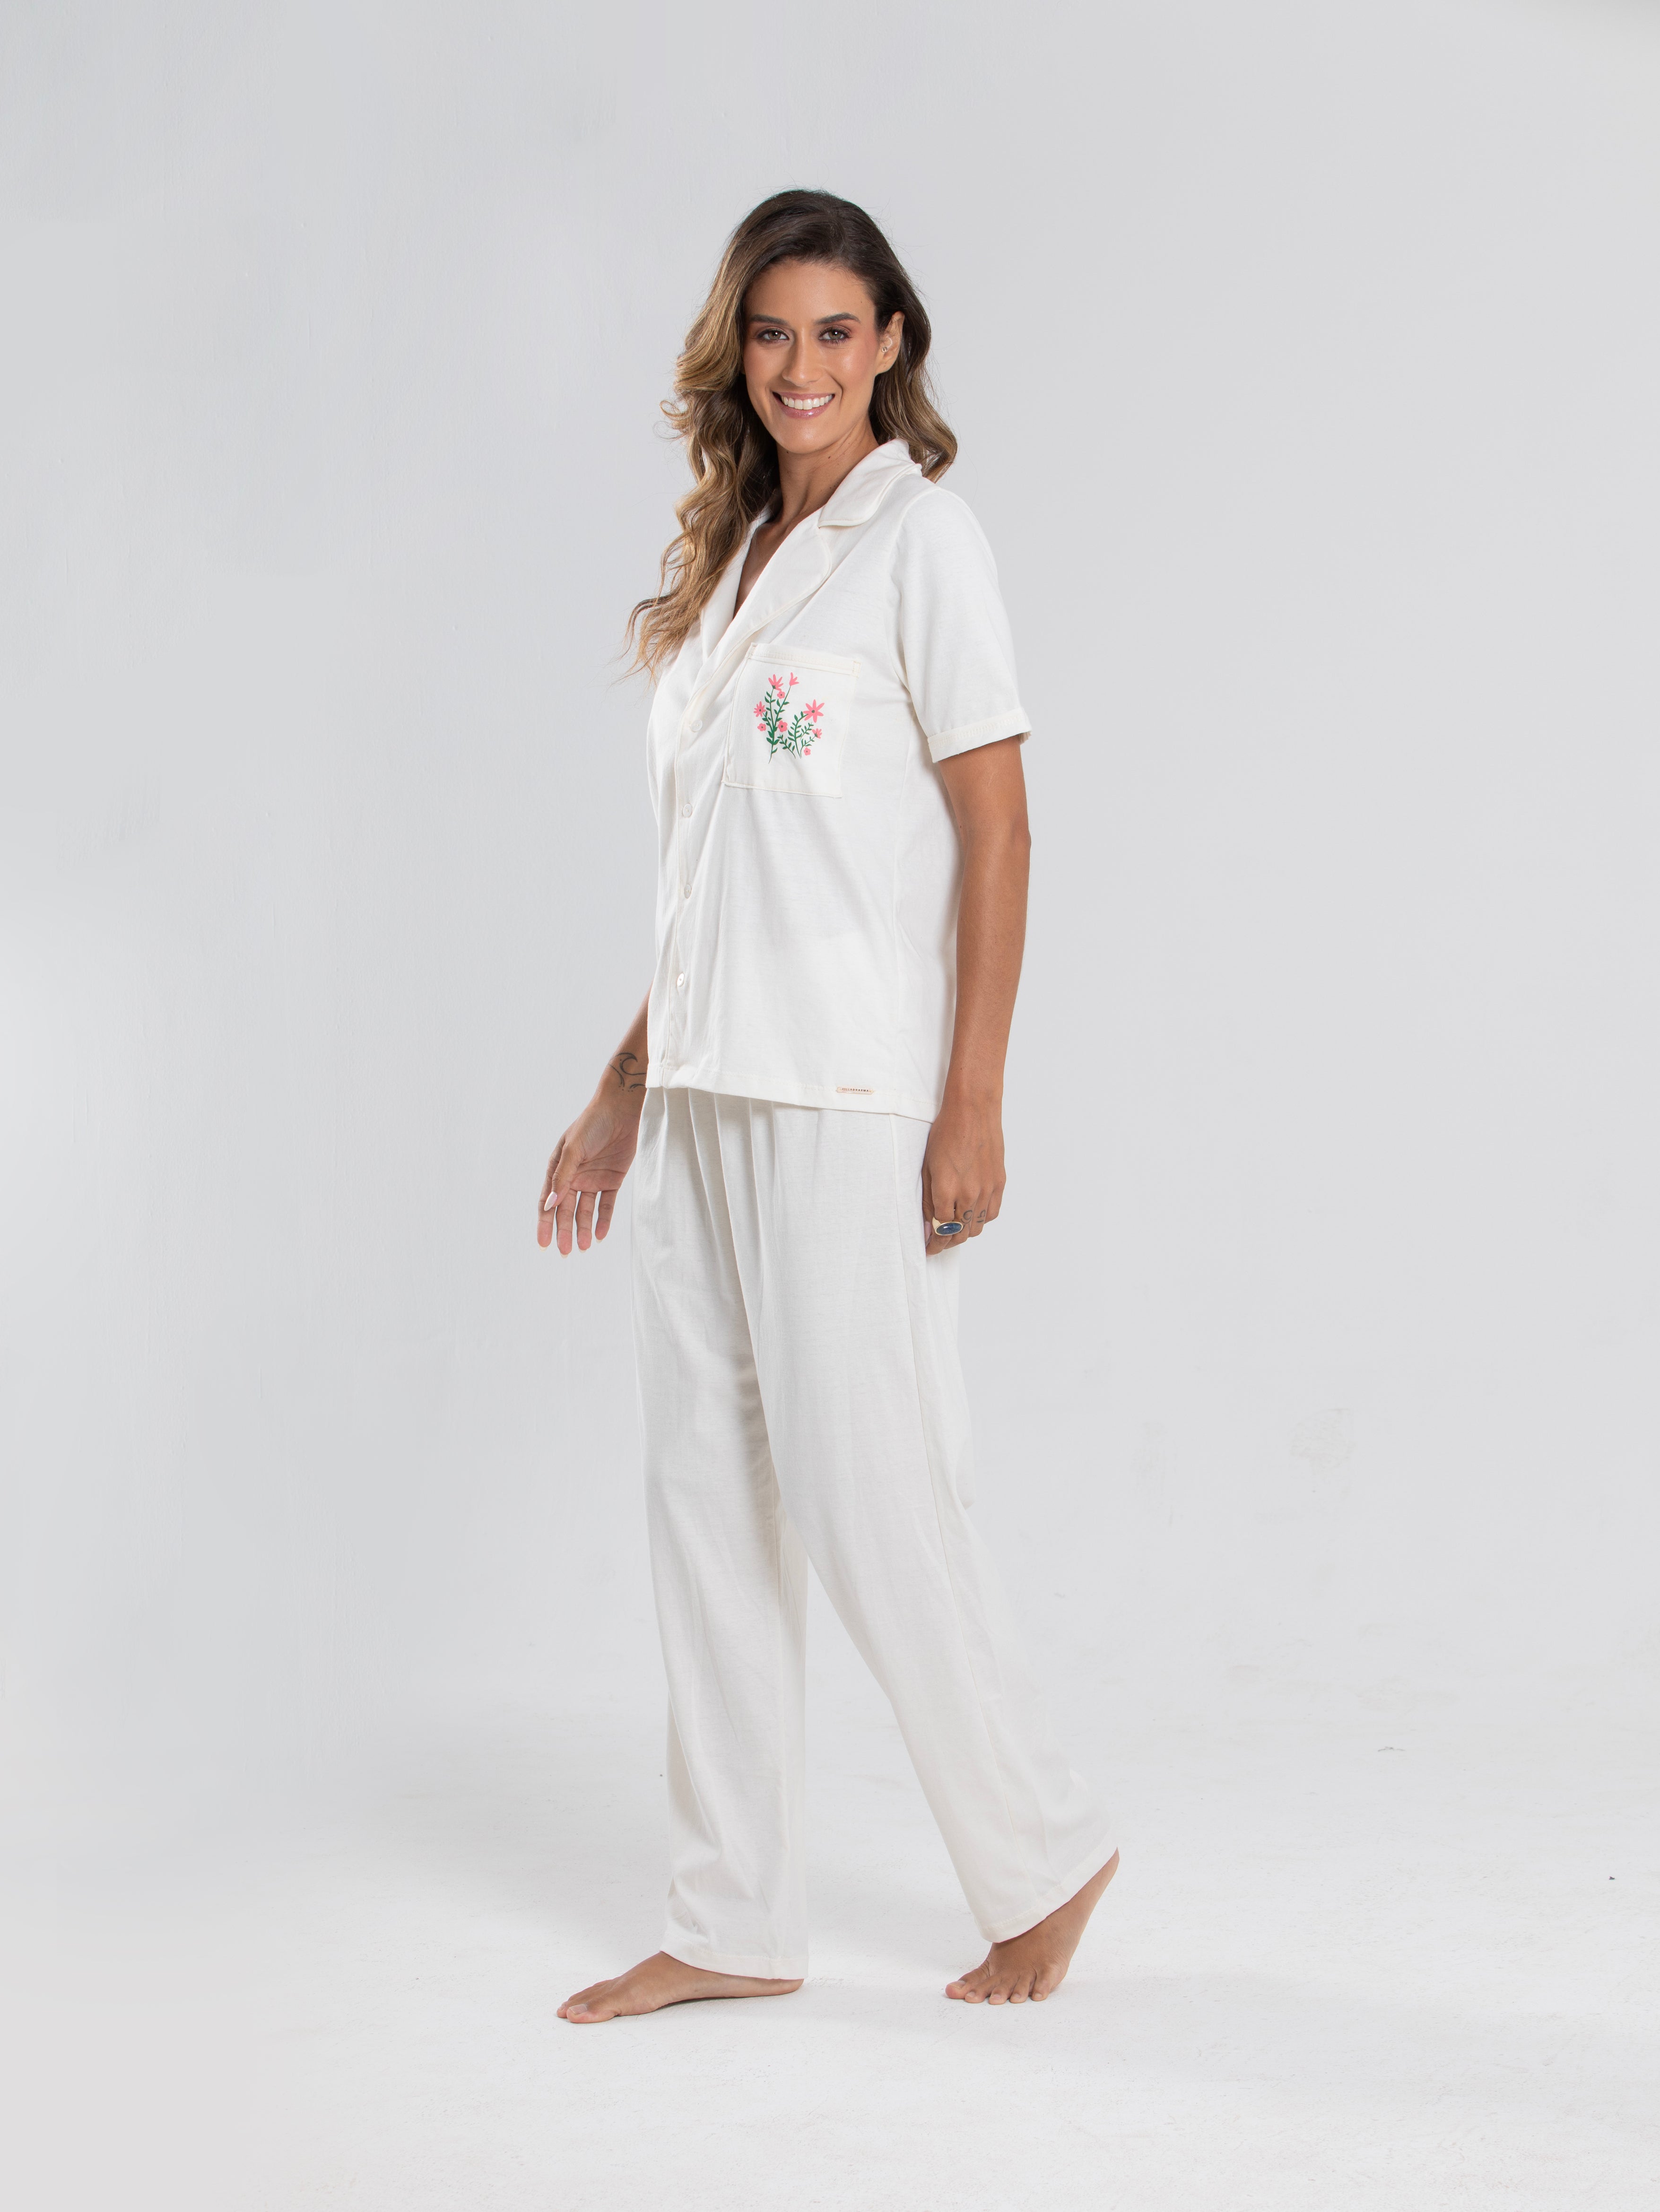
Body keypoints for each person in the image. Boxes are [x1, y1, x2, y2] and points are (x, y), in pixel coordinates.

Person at [539, 189, 1117, 2023]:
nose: (801, 366)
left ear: (891, 346)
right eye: (773, 332)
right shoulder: (728, 566)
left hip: (848, 1091)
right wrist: (621, 1087)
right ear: (742, 349)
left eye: (836, 332)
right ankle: (732, 1916)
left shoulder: (922, 541)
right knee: (704, 1499)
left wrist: (976, 1101)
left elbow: (1000, 831)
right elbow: (715, 879)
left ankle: (1040, 1853)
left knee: (871, 1491)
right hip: (705, 1092)